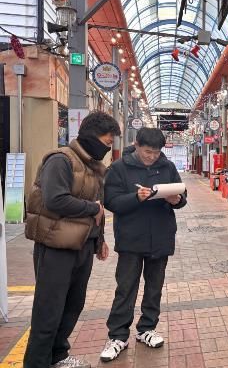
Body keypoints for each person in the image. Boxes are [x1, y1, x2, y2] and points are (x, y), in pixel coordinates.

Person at [23, 111, 121, 368]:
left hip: (82, 245)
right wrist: (92, 209)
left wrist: (99, 240)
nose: (108, 148)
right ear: (91, 137)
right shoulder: (61, 160)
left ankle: (58, 355)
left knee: (72, 305)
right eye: (107, 142)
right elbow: (55, 200)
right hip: (56, 246)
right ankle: (37, 362)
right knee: (48, 309)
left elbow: (98, 207)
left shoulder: (92, 166)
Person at [100, 128, 187, 362]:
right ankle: (118, 336)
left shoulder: (167, 167)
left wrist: (177, 199)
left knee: (154, 287)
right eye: (148, 152)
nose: (151, 157)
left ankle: (147, 328)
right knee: (126, 288)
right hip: (131, 238)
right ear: (137, 145)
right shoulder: (120, 168)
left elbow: (182, 195)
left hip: (160, 236)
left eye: (156, 153)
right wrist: (135, 198)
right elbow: (111, 201)